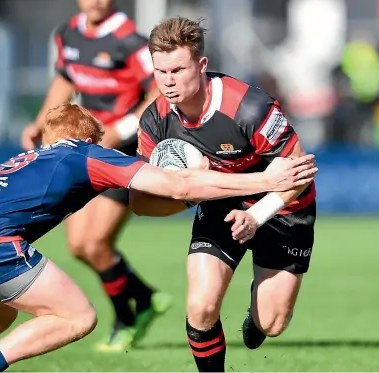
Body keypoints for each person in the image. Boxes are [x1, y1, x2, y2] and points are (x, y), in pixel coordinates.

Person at [0, 103, 316, 373]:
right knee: (77, 317)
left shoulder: (30, 157)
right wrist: (264, 180)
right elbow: (176, 187)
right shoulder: (87, 154)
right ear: (93, 139)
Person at [131, 17, 317, 372]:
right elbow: (140, 202)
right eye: (160, 71)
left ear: (201, 65)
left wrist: (256, 215)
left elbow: (300, 173)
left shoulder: (248, 108)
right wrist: (192, 192)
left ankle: (257, 314)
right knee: (201, 306)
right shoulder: (154, 121)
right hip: (219, 203)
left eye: (178, 69)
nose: (168, 81)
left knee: (272, 324)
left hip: (282, 207)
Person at [20, 0, 162, 352]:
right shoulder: (69, 32)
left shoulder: (130, 40)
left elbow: (157, 91)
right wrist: (42, 123)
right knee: (79, 246)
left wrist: (123, 127)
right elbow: (64, 82)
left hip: (122, 152)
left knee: (96, 243)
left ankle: (127, 319)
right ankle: (145, 297)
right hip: (83, 148)